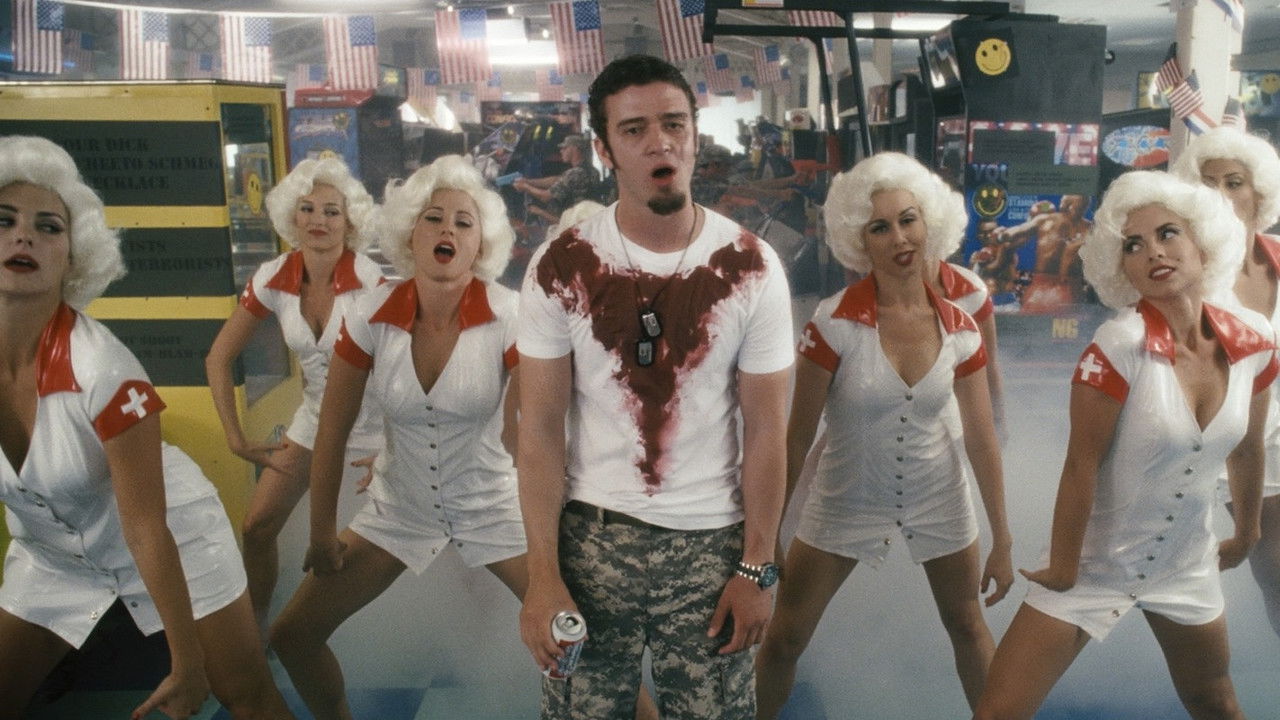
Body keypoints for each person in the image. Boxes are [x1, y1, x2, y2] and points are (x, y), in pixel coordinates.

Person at [517, 54, 794, 719]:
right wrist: (542, 576)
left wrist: (757, 566)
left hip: (710, 546)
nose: (659, 142)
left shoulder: (751, 266)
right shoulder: (561, 265)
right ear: (604, 149)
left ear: (695, 135)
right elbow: (540, 429)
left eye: (673, 124)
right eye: (634, 129)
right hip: (592, 542)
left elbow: (767, 432)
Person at [0, 135, 293, 719]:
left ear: (74, 256)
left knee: (246, 695)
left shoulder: (105, 370)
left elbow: (146, 529)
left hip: (171, 537)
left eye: (48, 227)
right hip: (51, 551)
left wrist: (187, 664)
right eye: (3, 220)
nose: (23, 236)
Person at [974, 171, 1273, 720]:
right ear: (1121, 267)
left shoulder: (1255, 343)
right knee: (998, 714)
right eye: (1133, 245)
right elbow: (1080, 465)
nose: (1153, 252)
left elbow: (1249, 448)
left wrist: (1248, 529)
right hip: (1093, 562)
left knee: (1215, 702)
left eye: (1167, 234)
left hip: (1185, 561)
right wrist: (1065, 567)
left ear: (1203, 242)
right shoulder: (1117, 345)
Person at [266, 155, 526, 720]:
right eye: (433, 218)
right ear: (411, 233)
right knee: (292, 636)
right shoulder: (367, 313)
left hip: (492, 505)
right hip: (399, 508)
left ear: (481, 245)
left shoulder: (511, 314)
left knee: (582, 634)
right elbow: (331, 430)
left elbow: (542, 430)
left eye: (463, 222)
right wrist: (321, 533)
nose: (447, 229)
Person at [754, 152, 1013, 718]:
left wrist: (1004, 538)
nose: (899, 237)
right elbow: (796, 439)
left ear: (929, 223)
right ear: (859, 241)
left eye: (908, 220)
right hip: (846, 496)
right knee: (786, 637)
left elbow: (981, 438)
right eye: (880, 227)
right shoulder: (831, 323)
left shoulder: (962, 327)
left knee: (969, 627)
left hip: (940, 494)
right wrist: (769, 531)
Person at [205, 157, 385, 633]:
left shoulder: (372, 280)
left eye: (331, 211)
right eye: (307, 209)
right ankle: (256, 630)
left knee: (421, 534)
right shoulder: (272, 276)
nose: (318, 220)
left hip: (379, 421)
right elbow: (218, 358)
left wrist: (397, 444)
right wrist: (234, 437)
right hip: (316, 421)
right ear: (292, 216)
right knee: (256, 527)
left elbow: (407, 369)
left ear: (350, 221)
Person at [1173, 126, 1280, 641]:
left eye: (1233, 182)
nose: (1219, 194)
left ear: (1261, 194)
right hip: (1216, 438)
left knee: (1275, 568)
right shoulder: (1184, 269)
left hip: (1272, 434)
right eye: (1208, 183)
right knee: (1270, 566)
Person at [514, 134, 602, 226]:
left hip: (575, 223)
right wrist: (528, 181)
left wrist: (525, 187)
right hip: (589, 220)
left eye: (565, 148)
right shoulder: (593, 171)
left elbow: (545, 197)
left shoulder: (575, 173)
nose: (561, 151)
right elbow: (557, 180)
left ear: (575, 149)